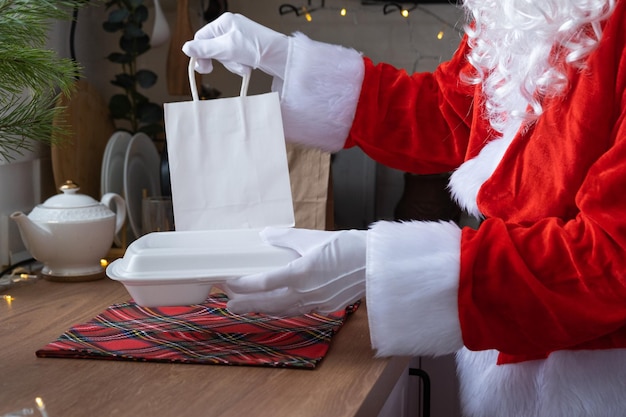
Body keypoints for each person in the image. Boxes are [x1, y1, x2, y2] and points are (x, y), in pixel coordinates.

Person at [182, 0, 626, 415]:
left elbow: (613, 260)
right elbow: (453, 113)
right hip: (515, 350)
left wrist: (384, 265)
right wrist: (287, 60)